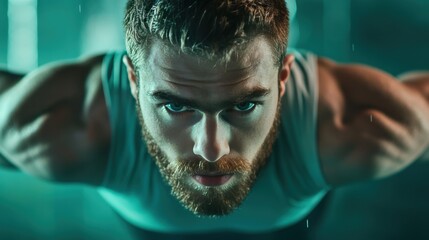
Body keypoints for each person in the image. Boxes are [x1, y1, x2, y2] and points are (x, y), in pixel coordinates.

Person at [0, 0, 428, 239]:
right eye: (175, 106)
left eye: (242, 106)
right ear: (133, 81)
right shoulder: (62, 128)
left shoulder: (348, 128)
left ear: (283, 79)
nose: (210, 148)